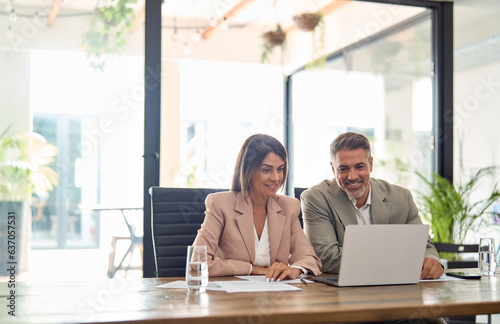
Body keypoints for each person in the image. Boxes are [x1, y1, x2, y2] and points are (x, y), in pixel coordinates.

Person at [301, 132, 443, 280]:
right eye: (343, 169)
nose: (352, 176)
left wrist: (432, 260)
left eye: (359, 167)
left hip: (397, 288)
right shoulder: (316, 198)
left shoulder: (402, 198)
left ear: (371, 164)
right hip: (340, 292)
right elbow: (326, 258)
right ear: (333, 168)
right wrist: (401, 258)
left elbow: (424, 247)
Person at [192, 134, 321, 281]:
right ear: (248, 170)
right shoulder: (220, 204)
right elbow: (198, 262)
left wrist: (295, 270)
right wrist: (252, 270)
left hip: (276, 295)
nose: (276, 178)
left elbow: (308, 257)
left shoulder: (288, 207)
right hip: (230, 296)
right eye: (266, 170)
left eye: (280, 169)